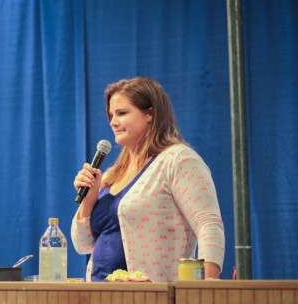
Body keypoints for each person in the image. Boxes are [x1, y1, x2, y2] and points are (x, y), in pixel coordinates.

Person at [71, 76, 224, 282]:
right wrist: (89, 199)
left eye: (122, 113)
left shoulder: (178, 160)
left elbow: (208, 224)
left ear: (150, 114)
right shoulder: (110, 174)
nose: (113, 122)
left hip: (150, 299)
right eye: (111, 115)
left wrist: (208, 286)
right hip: (99, 297)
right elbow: (82, 245)